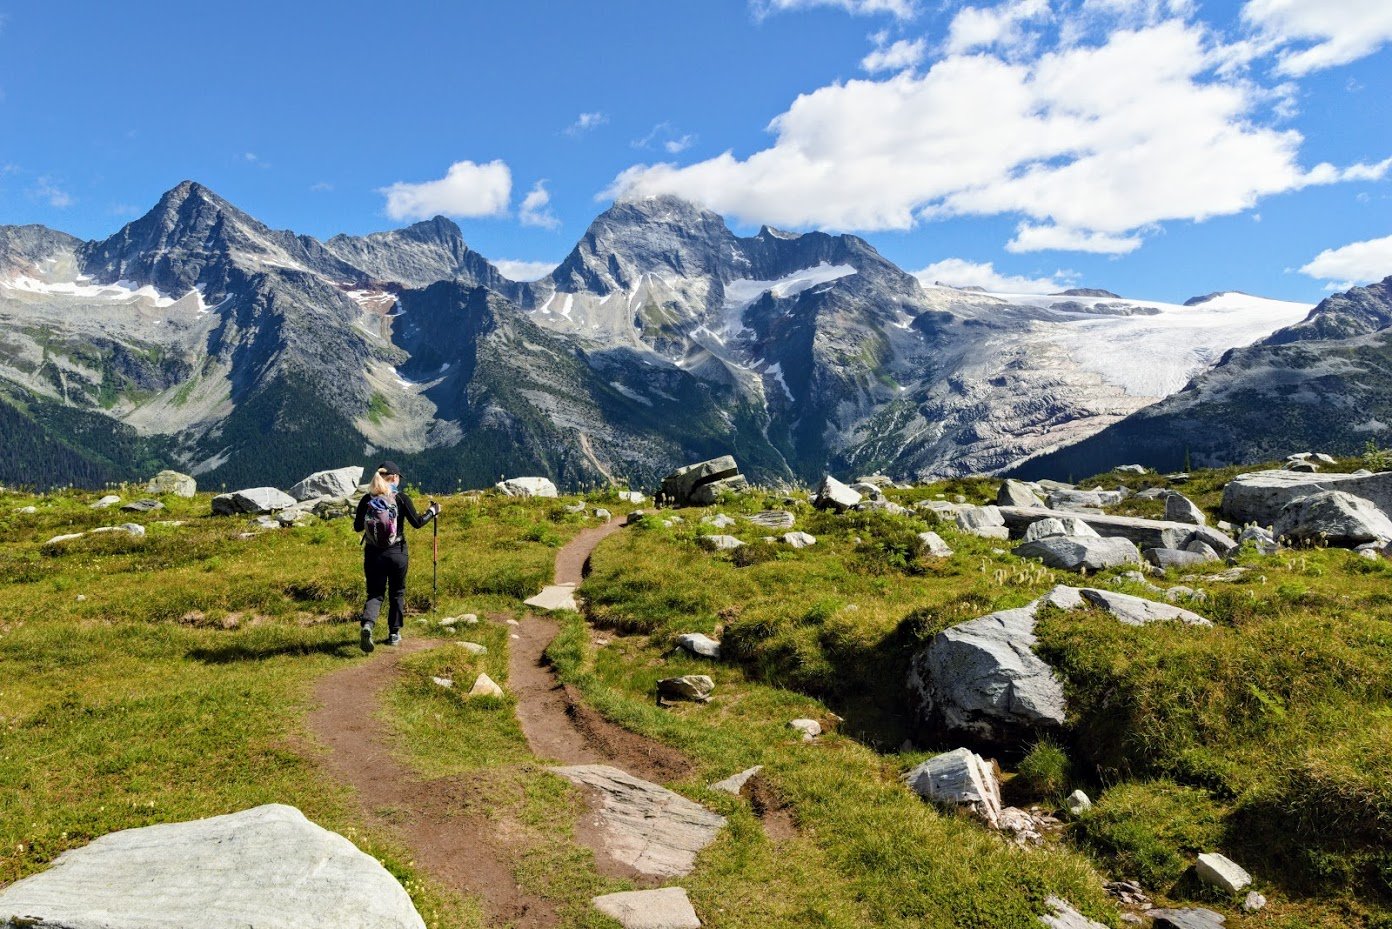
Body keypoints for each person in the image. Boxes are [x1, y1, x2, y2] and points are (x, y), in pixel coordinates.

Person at [352, 461, 439, 652]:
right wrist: (433, 512)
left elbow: (357, 527)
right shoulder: (400, 498)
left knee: (375, 593)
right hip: (397, 551)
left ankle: (368, 625)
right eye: (398, 477)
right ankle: (393, 633)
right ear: (394, 478)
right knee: (397, 592)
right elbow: (417, 522)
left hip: (374, 554)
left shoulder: (367, 499)